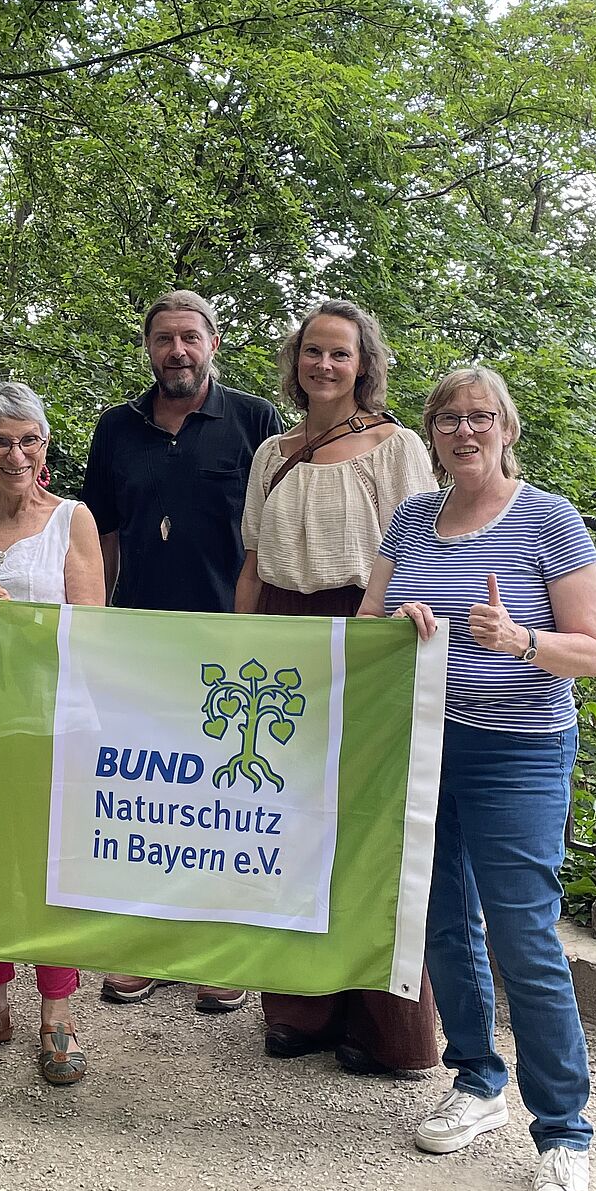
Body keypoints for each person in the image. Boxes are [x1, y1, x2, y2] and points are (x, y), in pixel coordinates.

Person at [358, 365, 596, 1191]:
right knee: (439, 921)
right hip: (430, 745)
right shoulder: (413, 518)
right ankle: (477, 1080)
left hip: (521, 753)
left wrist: (521, 638)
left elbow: (591, 652)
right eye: (449, 419)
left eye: (480, 418)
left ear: (507, 430)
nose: (464, 432)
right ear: (431, 433)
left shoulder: (550, 520)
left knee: (522, 934)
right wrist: (399, 628)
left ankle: (564, 1136)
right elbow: (368, 625)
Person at [237, 300, 442, 1078]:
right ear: (295, 362)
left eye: (340, 355)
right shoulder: (271, 454)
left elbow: (422, 555)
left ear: (364, 365)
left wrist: (399, 640)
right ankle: (299, 1005)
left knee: (370, 830)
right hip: (283, 643)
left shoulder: (397, 449)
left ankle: (388, 1027)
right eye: (312, 352)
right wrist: (235, 645)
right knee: (289, 825)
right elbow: (254, 564)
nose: (324, 366)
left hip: (368, 635)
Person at [79, 288, 283, 1012]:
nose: (177, 351)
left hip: (231, 644)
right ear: (149, 348)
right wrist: (97, 620)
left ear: (213, 343)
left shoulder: (256, 421)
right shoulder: (116, 428)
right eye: (164, 338)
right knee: (148, 799)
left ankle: (222, 955)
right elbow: (99, 533)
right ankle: (149, 949)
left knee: (226, 801)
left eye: (190, 337)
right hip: (139, 641)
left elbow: (273, 535)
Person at [0, 382, 107, 1086]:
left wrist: (17, 618)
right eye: (0, 440)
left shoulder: (73, 520)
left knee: (51, 867)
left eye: (28, 440)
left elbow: (94, 626)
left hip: (52, 718)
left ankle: (58, 1016)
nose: (15, 453)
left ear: (45, 447)